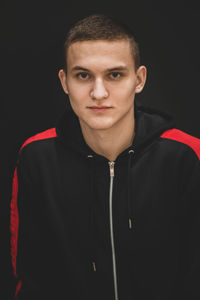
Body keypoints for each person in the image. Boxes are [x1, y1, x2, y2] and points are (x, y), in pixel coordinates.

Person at [10, 14, 200, 300]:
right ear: (64, 81)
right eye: (83, 75)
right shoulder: (36, 158)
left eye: (115, 75)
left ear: (139, 79)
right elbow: (31, 278)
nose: (98, 93)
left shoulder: (187, 157)